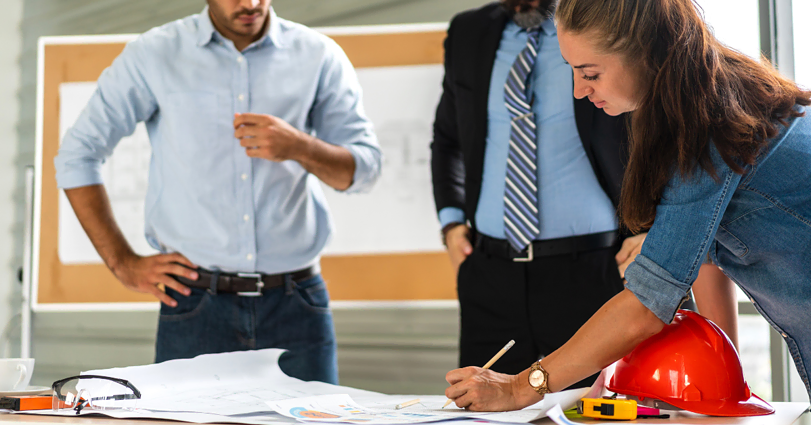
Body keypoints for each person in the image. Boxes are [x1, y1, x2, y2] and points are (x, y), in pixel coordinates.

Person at [442, 0, 811, 411]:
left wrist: (518, 389)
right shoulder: (709, 97)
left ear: (646, 52)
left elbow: (645, 306)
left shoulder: (709, 127)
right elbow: (701, 254)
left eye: (590, 73)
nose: (579, 91)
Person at [54, 0, 382, 384]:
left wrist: (300, 146)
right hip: (196, 307)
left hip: (297, 303)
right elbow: (78, 155)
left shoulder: (319, 55)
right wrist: (121, 262)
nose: (250, 4)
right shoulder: (154, 53)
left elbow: (364, 171)